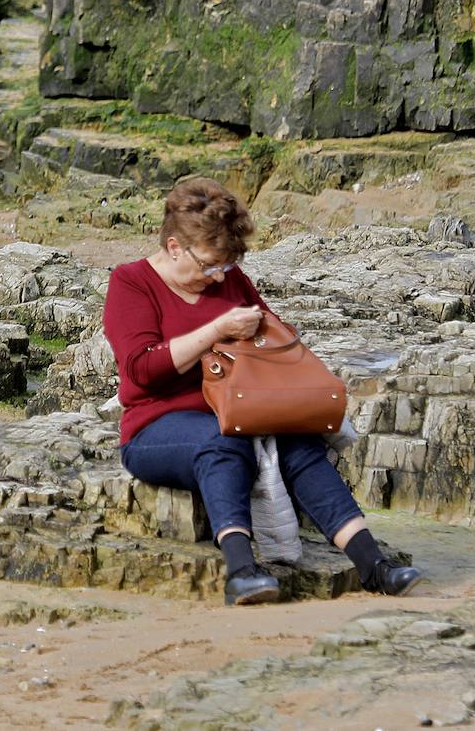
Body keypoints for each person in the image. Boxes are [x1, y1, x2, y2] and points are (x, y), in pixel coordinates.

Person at [103, 177, 422, 605]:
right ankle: (241, 571)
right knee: (221, 443)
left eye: (226, 266)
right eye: (209, 265)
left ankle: (374, 565)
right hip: (155, 427)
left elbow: (275, 341)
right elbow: (141, 369)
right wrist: (215, 330)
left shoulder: (229, 280)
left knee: (297, 445)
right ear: (175, 246)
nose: (218, 277)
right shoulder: (131, 282)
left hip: (240, 411)